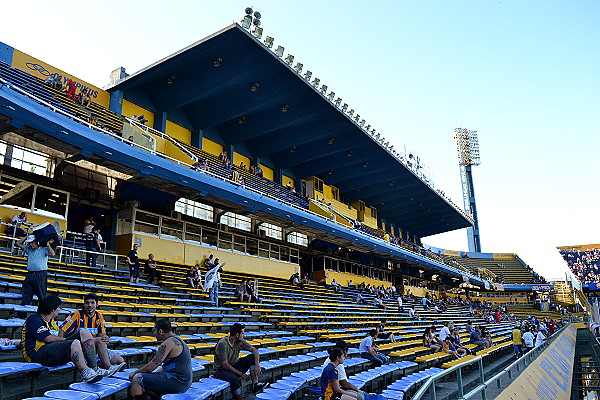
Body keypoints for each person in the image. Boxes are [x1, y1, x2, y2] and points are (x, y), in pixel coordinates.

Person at [22, 295, 121, 383]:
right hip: (37, 354)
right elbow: (48, 338)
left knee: (84, 333)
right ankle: (85, 372)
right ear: (52, 309)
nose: (59, 309)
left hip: (50, 351)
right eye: (58, 307)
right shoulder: (34, 318)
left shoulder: (52, 321)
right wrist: (67, 342)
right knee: (75, 342)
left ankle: (95, 369)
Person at [129, 318, 192, 399]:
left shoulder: (168, 343)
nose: (153, 333)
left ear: (161, 331)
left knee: (138, 378)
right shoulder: (178, 340)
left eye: (155, 330)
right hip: (184, 382)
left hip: (177, 382)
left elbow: (150, 367)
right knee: (148, 381)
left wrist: (135, 372)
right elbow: (169, 366)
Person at [59, 293, 126, 368]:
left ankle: (103, 364)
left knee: (120, 361)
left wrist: (105, 338)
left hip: (95, 348)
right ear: (84, 305)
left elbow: (102, 335)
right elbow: (62, 330)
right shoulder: (76, 315)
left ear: (97, 304)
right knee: (100, 341)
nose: (89, 305)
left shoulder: (99, 316)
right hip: (81, 347)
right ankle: (108, 367)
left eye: (92, 303)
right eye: (87, 303)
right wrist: (61, 348)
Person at [213, 323, 268, 399]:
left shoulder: (240, 341)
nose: (243, 335)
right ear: (237, 335)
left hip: (233, 366)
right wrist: (242, 374)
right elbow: (224, 364)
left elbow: (254, 350)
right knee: (234, 379)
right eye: (242, 333)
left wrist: (257, 365)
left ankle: (255, 385)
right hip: (220, 370)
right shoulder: (222, 344)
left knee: (251, 358)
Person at [16, 234, 55, 309]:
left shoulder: (43, 249)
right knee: (26, 294)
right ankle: (21, 314)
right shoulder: (28, 249)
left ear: (36, 242)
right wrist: (27, 237)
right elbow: (18, 243)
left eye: (32, 242)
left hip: (40, 274)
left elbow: (52, 254)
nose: (31, 244)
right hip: (30, 274)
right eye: (29, 243)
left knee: (41, 296)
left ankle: (43, 314)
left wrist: (48, 245)